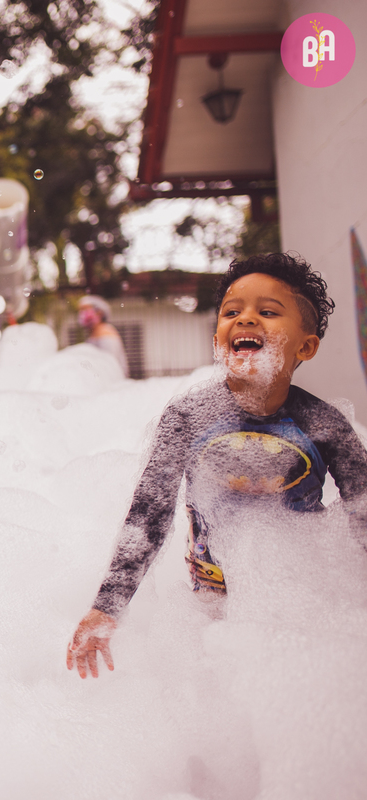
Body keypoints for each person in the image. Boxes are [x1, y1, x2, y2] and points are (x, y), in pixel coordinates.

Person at [67, 253, 367, 679]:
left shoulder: (324, 424)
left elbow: (362, 512)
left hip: (295, 597)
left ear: (306, 346)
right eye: (231, 312)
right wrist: (107, 606)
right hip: (208, 604)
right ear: (217, 337)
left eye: (268, 312)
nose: (245, 319)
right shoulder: (189, 416)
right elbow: (149, 515)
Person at [78, 294, 129, 378]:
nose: (82, 314)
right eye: (80, 310)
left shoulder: (106, 333)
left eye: (85, 309)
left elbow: (109, 365)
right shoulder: (93, 334)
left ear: (99, 312)